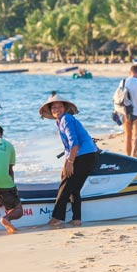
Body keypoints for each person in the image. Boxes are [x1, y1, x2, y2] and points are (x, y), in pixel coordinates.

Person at [39, 93, 99, 227]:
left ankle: (56, 218)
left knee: (66, 185)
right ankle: (77, 219)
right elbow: (67, 148)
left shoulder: (66, 119)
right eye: (54, 108)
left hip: (84, 155)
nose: (57, 109)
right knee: (74, 187)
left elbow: (74, 144)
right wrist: (65, 166)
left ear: (65, 108)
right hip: (82, 155)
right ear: (50, 111)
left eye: (60, 107)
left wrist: (70, 163)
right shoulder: (59, 122)